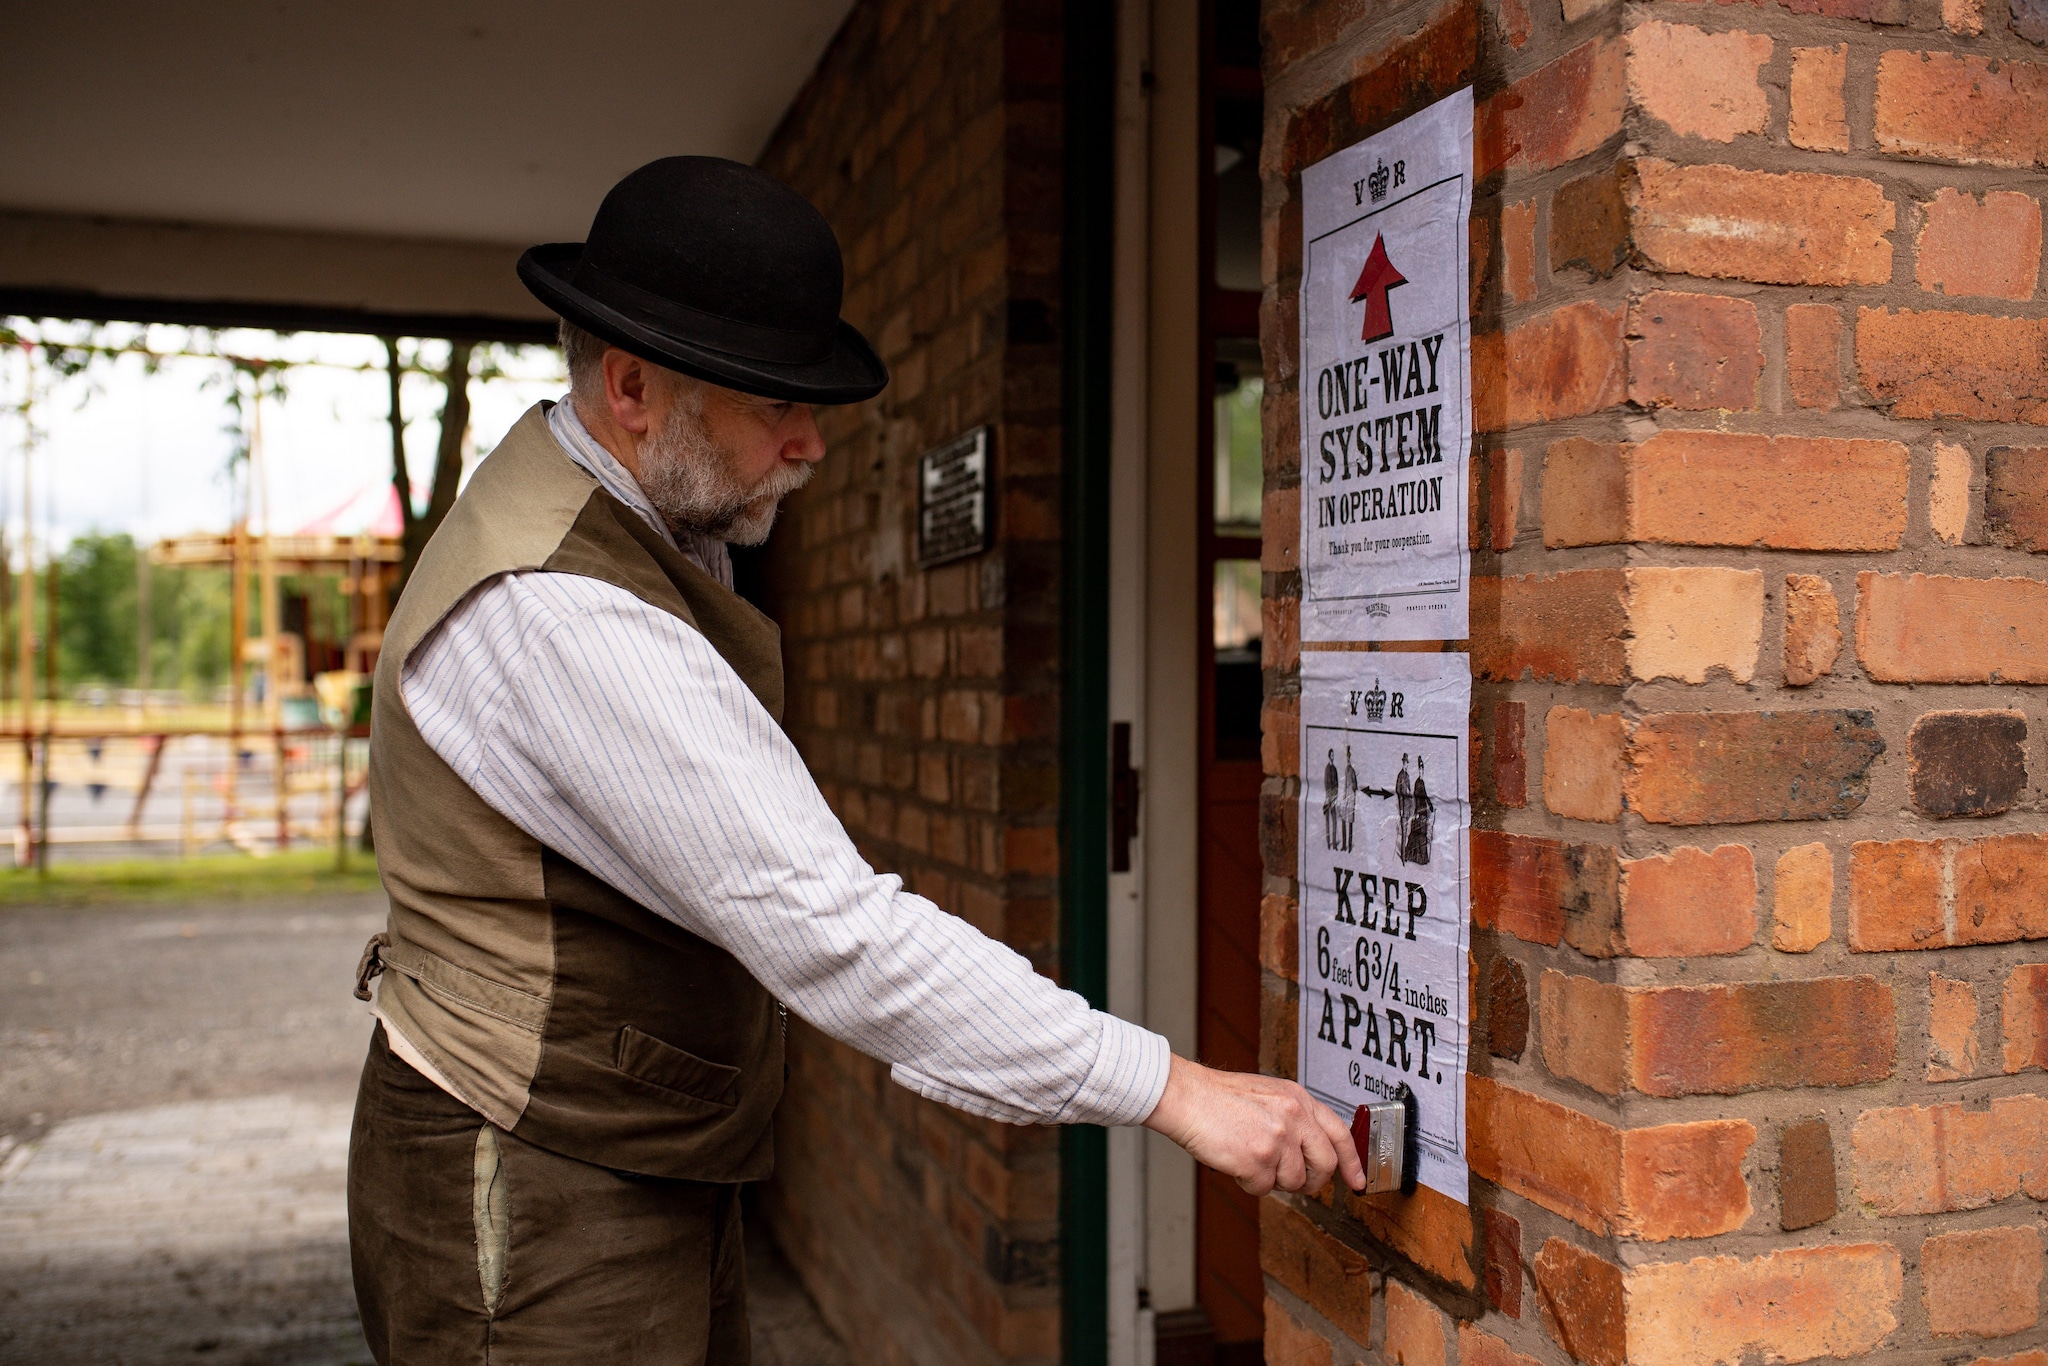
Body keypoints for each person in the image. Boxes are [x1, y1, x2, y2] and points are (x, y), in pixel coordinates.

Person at [345, 156, 1364, 1365]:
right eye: (776, 402)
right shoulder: (564, 611)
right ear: (631, 388)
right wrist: (1176, 1090)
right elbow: (835, 933)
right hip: (532, 1177)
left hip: (621, 1150)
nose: (810, 444)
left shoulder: (640, 512)